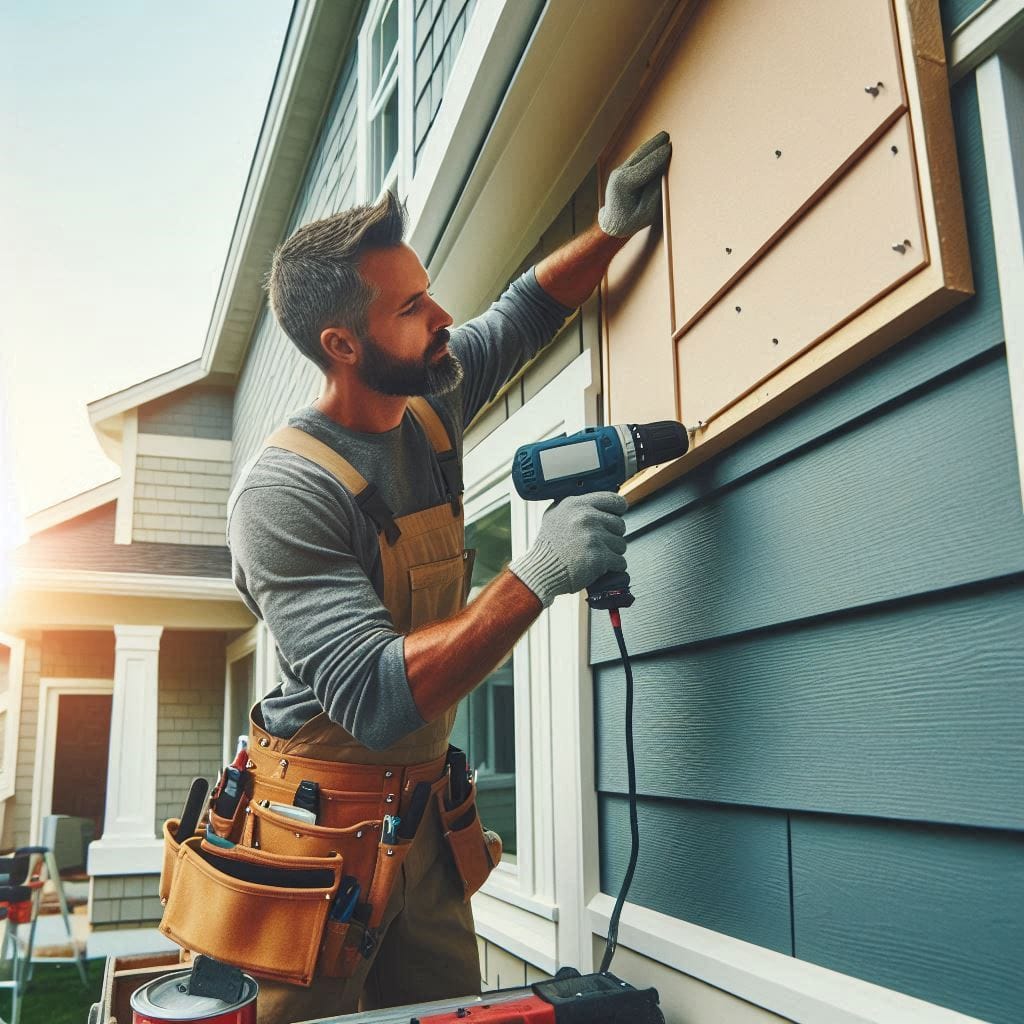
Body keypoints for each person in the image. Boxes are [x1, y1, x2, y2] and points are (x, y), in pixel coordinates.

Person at [226, 131, 671, 1023]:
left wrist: (611, 231)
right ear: (343, 344)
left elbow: (524, 312)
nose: (442, 317)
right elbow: (380, 694)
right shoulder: (283, 493)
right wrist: (537, 571)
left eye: (429, 294)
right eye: (412, 308)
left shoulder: (432, 394)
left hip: (422, 823)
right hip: (311, 839)